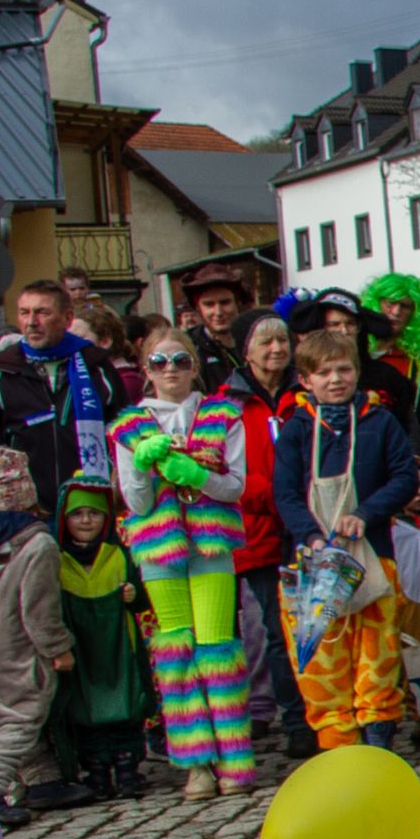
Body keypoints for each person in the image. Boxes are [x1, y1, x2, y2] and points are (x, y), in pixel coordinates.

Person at [109, 324, 256, 799]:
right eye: (159, 362)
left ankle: (234, 754)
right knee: (175, 652)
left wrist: (195, 474)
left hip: (210, 544)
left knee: (217, 647)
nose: (170, 370)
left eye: (180, 360)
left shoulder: (222, 415)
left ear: (194, 366)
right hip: (159, 548)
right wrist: (146, 468)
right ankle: (196, 763)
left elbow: (234, 486)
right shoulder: (130, 428)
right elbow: (134, 503)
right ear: (145, 371)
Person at [274, 332, 417, 750]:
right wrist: (311, 535)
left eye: (344, 369)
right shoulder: (296, 430)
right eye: (324, 372)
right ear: (305, 380)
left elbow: (404, 476)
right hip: (314, 560)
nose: (336, 379)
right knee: (321, 653)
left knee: (378, 648)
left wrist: (366, 513)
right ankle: (336, 738)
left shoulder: (379, 421)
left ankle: (378, 731)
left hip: (373, 552)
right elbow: (284, 493)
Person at [0, 481, 84, 825]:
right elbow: (39, 609)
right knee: (21, 717)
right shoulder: (37, 544)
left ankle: (43, 780)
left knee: (8, 711)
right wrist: (58, 648)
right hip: (19, 647)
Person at [221, 310, 316, 760]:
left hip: (308, 525)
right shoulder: (227, 403)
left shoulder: (305, 394)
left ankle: (324, 712)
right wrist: (277, 498)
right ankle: (296, 720)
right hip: (260, 531)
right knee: (278, 633)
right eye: (266, 343)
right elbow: (229, 470)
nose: (276, 349)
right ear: (246, 351)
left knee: (316, 625)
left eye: (282, 340)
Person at [0, 278, 124, 515]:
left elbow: (123, 430)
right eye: (24, 313)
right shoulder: (0, 371)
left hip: (91, 510)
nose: (31, 322)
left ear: (67, 318)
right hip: (28, 512)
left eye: (42, 313)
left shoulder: (96, 365)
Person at [52, 475, 156, 801]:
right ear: (64, 519)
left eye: (94, 514)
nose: (86, 521)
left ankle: (127, 766)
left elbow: (144, 600)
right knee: (85, 709)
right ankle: (96, 768)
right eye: (77, 514)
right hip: (82, 650)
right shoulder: (57, 560)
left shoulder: (118, 555)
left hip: (119, 649)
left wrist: (133, 594)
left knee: (127, 703)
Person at [287, 287, 413, 420]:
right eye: (334, 324)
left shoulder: (387, 377)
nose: (344, 331)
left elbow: (409, 430)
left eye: (350, 323)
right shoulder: (300, 381)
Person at [359, 271, 420, 459]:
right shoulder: (353, 354)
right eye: (390, 302)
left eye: (405, 306)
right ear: (376, 302)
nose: (396, 312)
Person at [180, 259, 253, 392]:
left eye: (225, 302)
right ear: (198, 308)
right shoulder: (188, 348)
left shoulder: (256, 341)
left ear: (238, 303)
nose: (218, 312)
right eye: (209, 304)